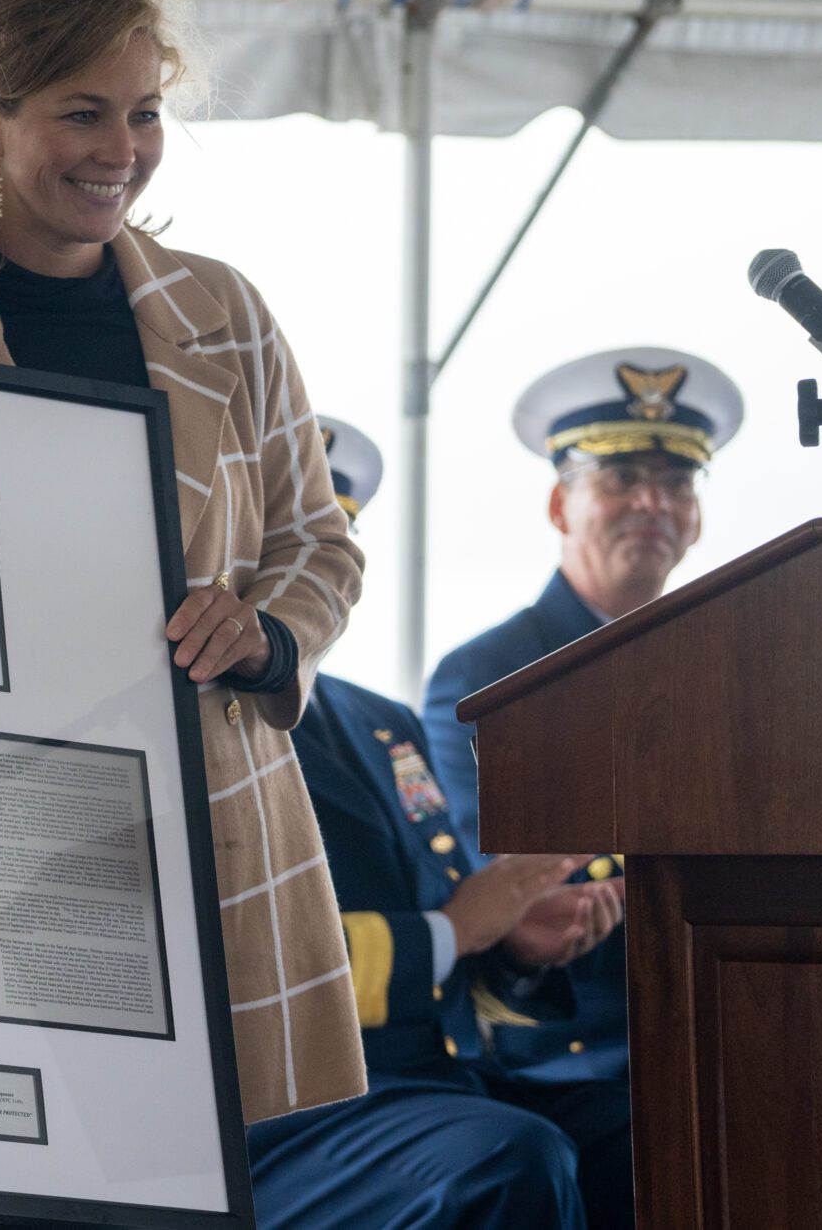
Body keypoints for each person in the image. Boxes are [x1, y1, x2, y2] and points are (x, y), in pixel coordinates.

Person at [0, 0, 369, 1156]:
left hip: (209, 837)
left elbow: (319, 544)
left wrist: (265, 635)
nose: (121, 147)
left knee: (209, 1176)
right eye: (82, 113)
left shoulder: (226, 311)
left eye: (145, 112)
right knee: (1, 1184)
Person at [251, 416, 633, 1229]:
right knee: (509, 1161)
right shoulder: (189, 724)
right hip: (289, 1108)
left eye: (329, 542)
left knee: (662, 1136)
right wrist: (455, 930)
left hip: (441, 1084)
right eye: (272, 547)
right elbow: (234, 971)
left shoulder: (381, 722)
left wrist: (515, 948)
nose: (306, 573)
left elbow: (461, 953)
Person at [422, 346, 743, 1086]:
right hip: (580, 1040)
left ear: (694, 519)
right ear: (561, 505)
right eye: (623, 478)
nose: (653, 503)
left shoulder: (723, 671)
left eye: (675, 482)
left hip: (728, 1004)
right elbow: (498, 889)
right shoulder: (486, 677)